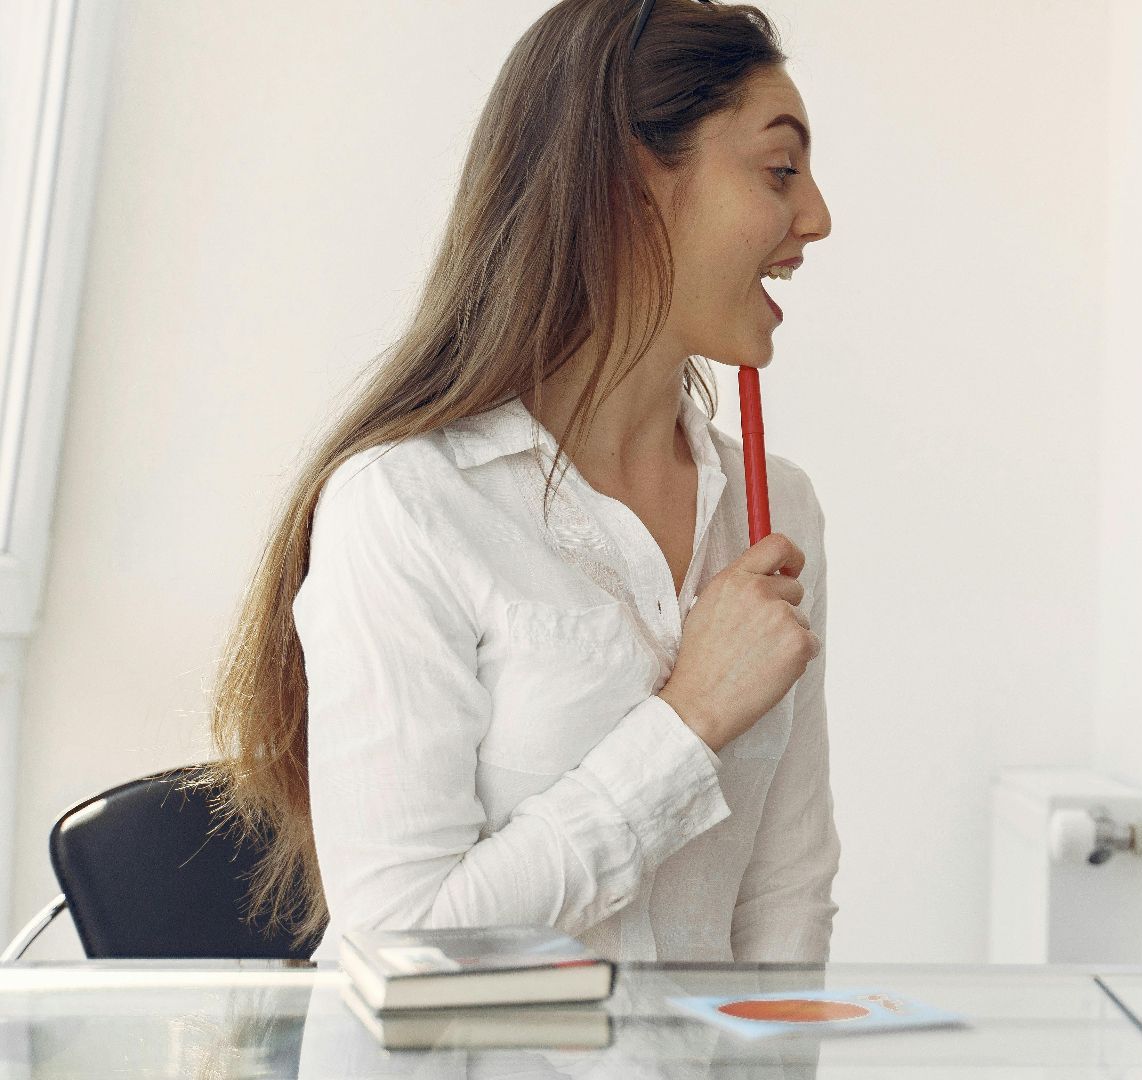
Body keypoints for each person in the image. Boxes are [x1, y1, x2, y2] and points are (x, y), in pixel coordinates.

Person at [205, 0, 838, 963]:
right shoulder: (407, 505)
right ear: (628, 183)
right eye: (779, 171)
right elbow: (405, 941)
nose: (817, 217)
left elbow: (785, 896)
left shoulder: (775, 512)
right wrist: (692, 717)